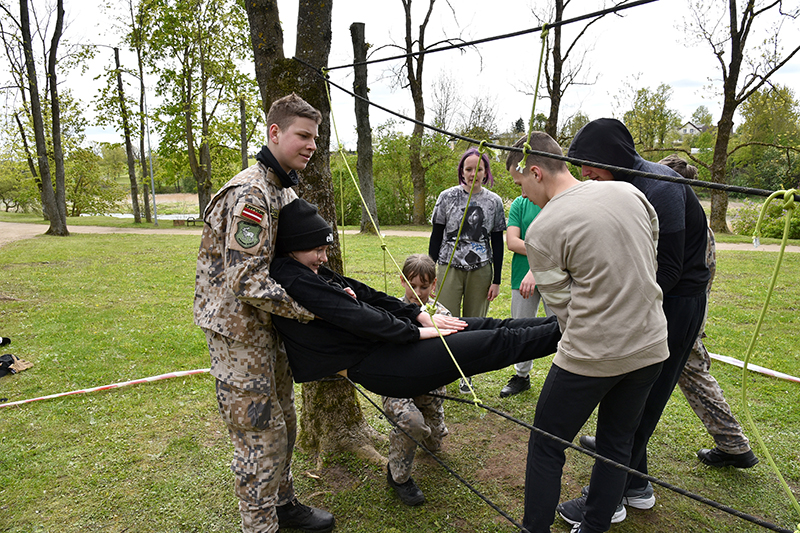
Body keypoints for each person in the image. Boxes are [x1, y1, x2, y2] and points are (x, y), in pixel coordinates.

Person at [506, 133, 669, 533]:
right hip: (650, 346)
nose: (522, 194)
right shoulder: (628, 192)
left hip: (590, 355)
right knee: (617, 444)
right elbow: (651, 252)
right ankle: (595, 527)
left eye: (520, 183)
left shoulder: (542, 230)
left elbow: (563, 310)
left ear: (535, 172)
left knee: (547, 444)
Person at [194, 93, 335, 533]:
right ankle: (260, 526)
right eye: (303, 135)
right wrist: (311, 311)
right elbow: (246, 281)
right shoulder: (252, 193)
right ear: (275, 132)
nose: (312, 145)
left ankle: (282, 503)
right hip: (239, 335)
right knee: (260, 435)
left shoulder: (282, 187)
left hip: (269, 327)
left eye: (316, 137)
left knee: (285, 420)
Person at [559, 118, 711, 525]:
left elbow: (670, 269)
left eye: (588, 163)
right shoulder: (619, 186)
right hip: (650, 297)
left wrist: (618, 304)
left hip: (675, 302)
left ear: (613, 157)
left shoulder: (661, 188)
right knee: (628, 395)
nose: (583, 173)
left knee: (639, 401)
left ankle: (606, 501)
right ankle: (637, 485)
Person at [269, 198, 561, 399]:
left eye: (324, 249)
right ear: (293, 247)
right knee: (496, 341)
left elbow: (368, 295)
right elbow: (356, 315)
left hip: (392, 347)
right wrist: (416, 331)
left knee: (490, 326)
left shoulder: (311, 272)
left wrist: (417, 314)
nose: (323, 258)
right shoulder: (292, 277)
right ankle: (571, 329)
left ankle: (565, 321)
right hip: (384, 366)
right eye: (317, 250)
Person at [659, 154, 758, 468]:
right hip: (684, 316)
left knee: (679, 375)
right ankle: (733, 444)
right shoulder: (695, 222)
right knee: (688, 375)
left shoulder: (684, 224)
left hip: (677, 317)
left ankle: (733, 443)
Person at [429, 148, 507, 393]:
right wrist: (430, 273)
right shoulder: (447, 197)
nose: (473, 174)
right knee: (446, 320)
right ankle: (441, 371)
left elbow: (497, 242)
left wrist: (496, 279)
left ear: (486, 172)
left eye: (478, 169)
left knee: (474, 323)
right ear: (461, 171)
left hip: (481, 270)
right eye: (469, 169)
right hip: (448, 267)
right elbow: (436, 235)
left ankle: (467, 373)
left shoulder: (494, 202)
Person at [383, 254, 451, 506]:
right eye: (412, 286)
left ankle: (434, 428)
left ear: (434, 284)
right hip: (398, 385)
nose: (418, 293)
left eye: (424, 286)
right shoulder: (390, 311)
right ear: (402, 281)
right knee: (412, 424)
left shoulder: (441, 314)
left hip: (430, 389)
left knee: (433, 444)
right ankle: (398, 477)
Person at [499, 194, 554, 398]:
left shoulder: (557, 200)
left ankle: (565, 378)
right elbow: (512, 242)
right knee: (521, 326)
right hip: (521, 275)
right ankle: (521, 376)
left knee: (562, 327)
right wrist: (547, 252)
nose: (522, 190)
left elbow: (563, 242)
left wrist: (540, 260)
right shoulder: (520, 203)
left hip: (555, 274)